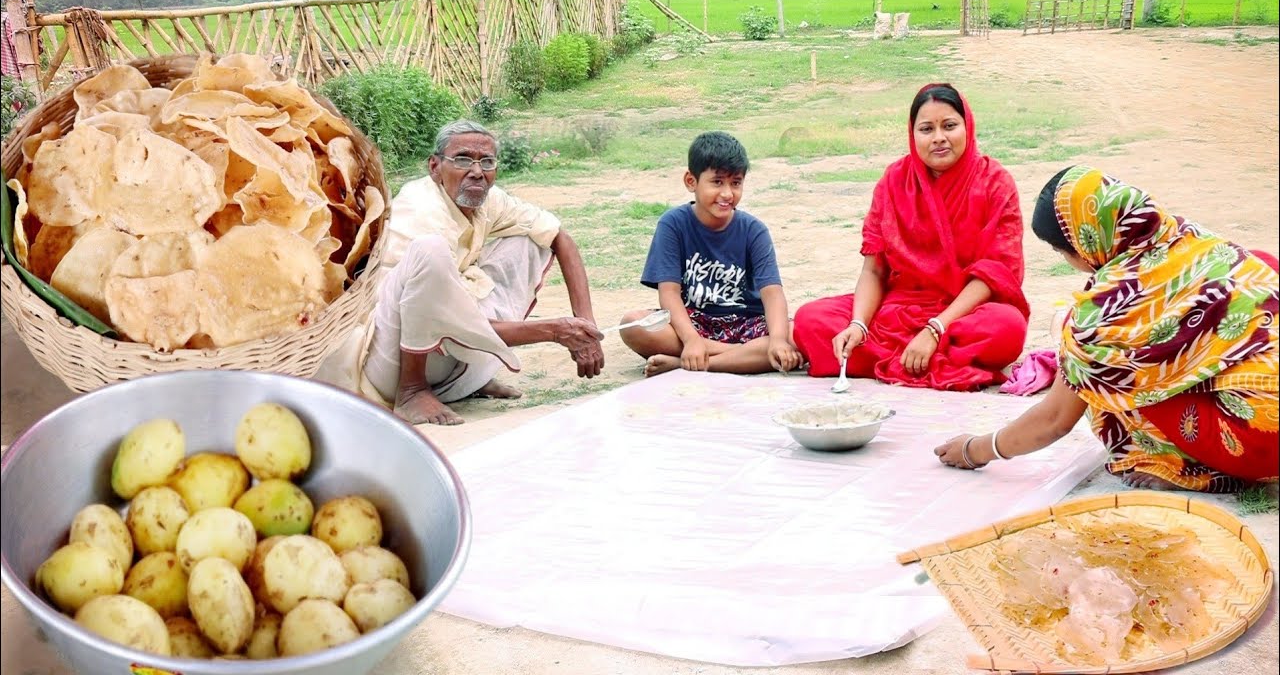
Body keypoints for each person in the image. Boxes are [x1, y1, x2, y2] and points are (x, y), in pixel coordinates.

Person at [936, 166, 1279, 493]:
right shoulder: (1183, 235)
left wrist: (976, 450)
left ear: (1084, 244)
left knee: (1100, 381)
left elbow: (1055, 419)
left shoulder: (1101, 319)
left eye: (1062, 251)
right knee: (1259, 266)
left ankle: (1187, 470)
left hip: (1262, 436)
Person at [361, 120, 604, 426]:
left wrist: (586, 328)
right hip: (391, 362)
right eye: (462, 159)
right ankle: (413, 392)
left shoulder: (489, 200)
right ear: (435, 167)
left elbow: (560, 238)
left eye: (486, 162)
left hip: (447, 358)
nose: (477, 171)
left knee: (530, 240)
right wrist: (554, 331)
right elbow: (443, 316)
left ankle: (471, 380)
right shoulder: (421, 207)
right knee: (430, 250)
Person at [792, 83, 1030, 391]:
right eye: (926, 129)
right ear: (912, 133)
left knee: (1006, 328)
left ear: (967, 126)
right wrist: (858, 324)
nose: (939, 138)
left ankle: (901, 357)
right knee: (811, 320)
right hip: (897, 310)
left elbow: (994, 274)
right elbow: (874, 269)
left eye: (949, 126)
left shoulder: (995, 182)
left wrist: (935, 329)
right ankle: (922, 360)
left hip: (962, 313)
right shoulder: (894, 182)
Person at [618, 131, 803, 377]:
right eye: (717, 182)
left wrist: (778, 339)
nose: (727, 193)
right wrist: (691, 339)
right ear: (691, 181)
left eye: (735, 183)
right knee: (633, 324)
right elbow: (669, 293)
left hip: (747, 321)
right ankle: (742, 357)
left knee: (796, 337)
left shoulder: (753, 230)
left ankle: (691, 363)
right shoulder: (673, 224)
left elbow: (772, 293)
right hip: (694, 322)